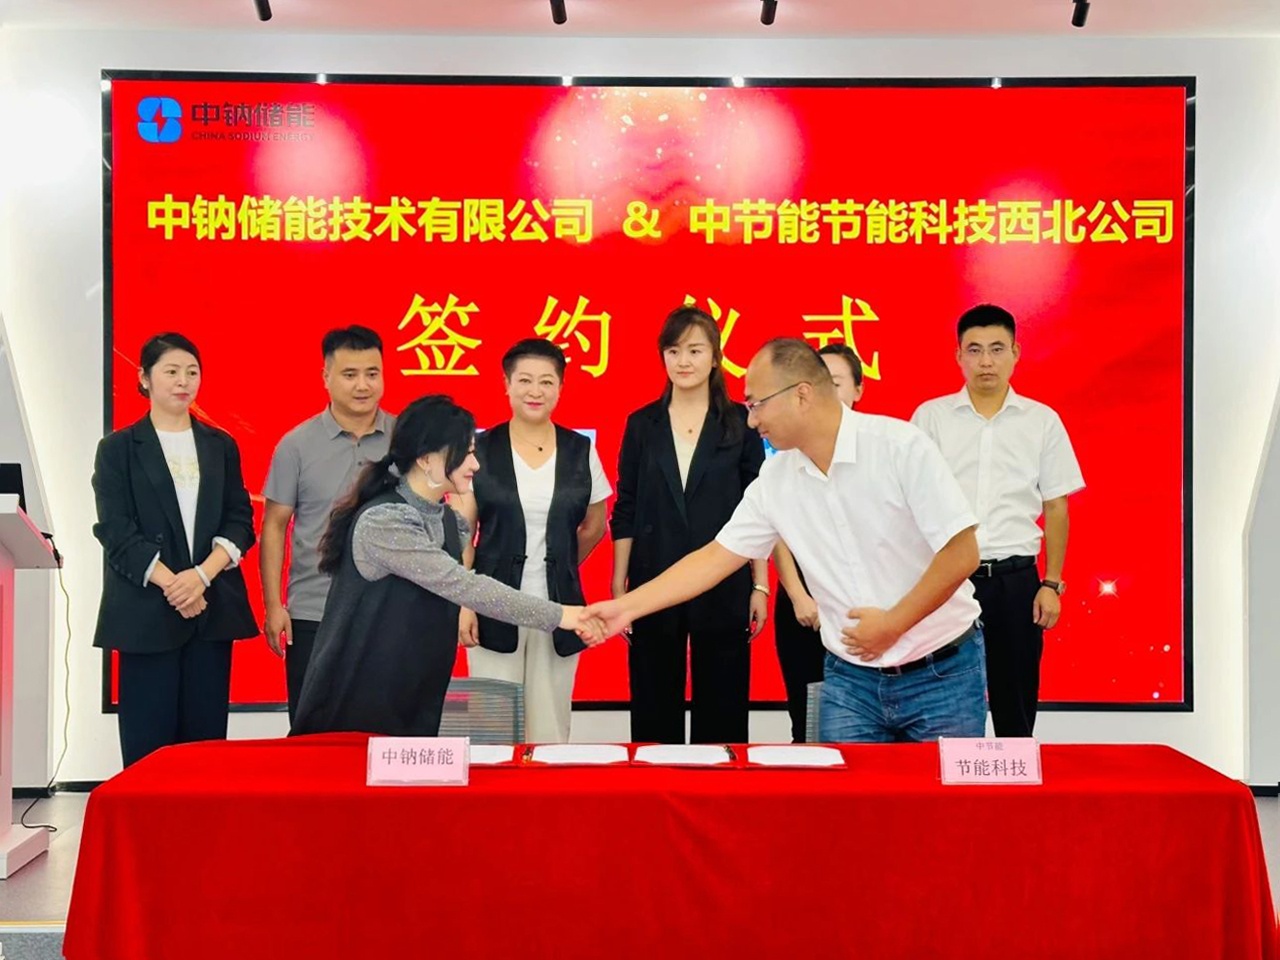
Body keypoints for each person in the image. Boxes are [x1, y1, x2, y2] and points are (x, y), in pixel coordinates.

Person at [588, 338, 985, 744]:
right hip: (850, 681)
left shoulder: (900, 447)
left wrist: (893, 624)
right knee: (847, 786)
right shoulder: (776, 479)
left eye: (757, 404)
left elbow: (962, 553)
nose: (751, 421)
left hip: (941, 672)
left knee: (941, 788)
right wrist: (625, 608)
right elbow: (714, 558)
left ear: (801, 395)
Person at [290, 395, 603, 738]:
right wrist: (561, 615)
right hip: (357, 703)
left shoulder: (449, 523)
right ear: (427, 459)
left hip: (413, 699)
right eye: (465, 454)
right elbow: (465, 585)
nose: (476, 465)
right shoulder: (385, 521)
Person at [912, 305, 1084, 736]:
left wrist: (1051, 583)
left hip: (1015, 581)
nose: (985, 361)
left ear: (1015, 353)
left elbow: (1056, 506)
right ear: (959, 356)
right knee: (942, 697)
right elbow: (909, 501)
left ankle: (1016, 775)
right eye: (974, 350)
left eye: (996, 349)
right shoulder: (930, 418)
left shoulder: (1042, 421)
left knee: (1016, 701)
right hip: (947, 579)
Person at [92, 333, 257, 766]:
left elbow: (240, 520)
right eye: (171, 371)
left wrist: (201, 577)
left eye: (192, 372)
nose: (184, 381)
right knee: (148, 752)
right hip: (145, 613)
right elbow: (115, 531)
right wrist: (175, 586)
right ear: (144, 378)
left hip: (210, 610)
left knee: (204, 753)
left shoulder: (220, 445)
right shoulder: (118, 449)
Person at [611, 306, 768, 745]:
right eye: (674, 351)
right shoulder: (642, 424)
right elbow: (626, 506)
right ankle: (654, 783)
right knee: (653, 702)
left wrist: (759, 584)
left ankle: (719, 784)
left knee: (723, 703)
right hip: (653, 575)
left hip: (723, 577)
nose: (684, 361)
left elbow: (758, 511)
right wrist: (620, 585)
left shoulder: (740, 423)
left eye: (695, 351)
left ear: (715, 357)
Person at [456, 339, 611, 743]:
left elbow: (595, 525)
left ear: (560, 388)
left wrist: (562, 564)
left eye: (546, 382)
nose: (535, 391)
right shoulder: (479, 448)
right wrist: (464, 603)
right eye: (524, 380)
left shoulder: (581, 450)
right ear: (506, 385)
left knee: (550, 729)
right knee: (492, 729)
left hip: (559, 610)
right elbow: (461, 533)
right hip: (490, 605)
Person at [261, 325, 395, 724]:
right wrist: (273, 605)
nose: (363, 385)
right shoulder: (296, 445)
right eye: (350, 374)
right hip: (313, 612)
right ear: (326, 376)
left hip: (388, 612)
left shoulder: (406, 441)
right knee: (312, 733)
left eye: (372, 373)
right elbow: (274, 526)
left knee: (382, 734)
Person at [771, 342, 864, 742]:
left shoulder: (886, 450)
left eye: (836, 383)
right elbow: (775, 533)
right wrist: (798, 596)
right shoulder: (783, 464)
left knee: (859, 728)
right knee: (807, 720)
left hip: (864, 611)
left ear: (858, 390)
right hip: (803, 605)